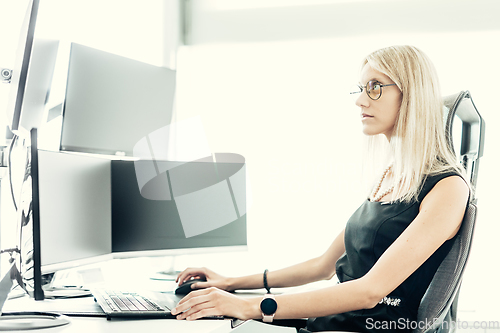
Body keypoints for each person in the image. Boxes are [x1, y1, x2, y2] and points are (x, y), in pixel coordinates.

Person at [170, 45, 470, 332]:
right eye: (361, 88)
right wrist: (231, 283)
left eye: (375, 86)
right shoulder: (391, 177)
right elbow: (322, 267)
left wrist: (248, 306)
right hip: (336, 320)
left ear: (412, 94)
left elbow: (369, 291)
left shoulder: (448, 188)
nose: (360, 100)